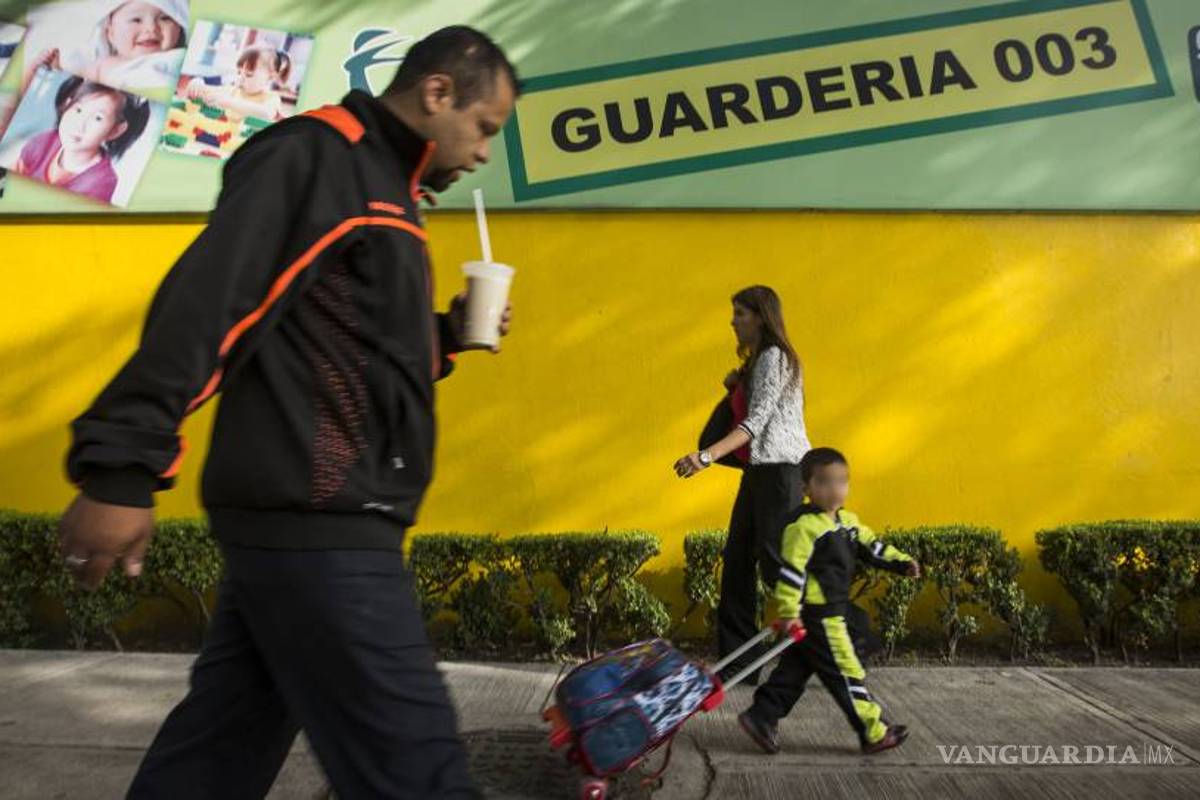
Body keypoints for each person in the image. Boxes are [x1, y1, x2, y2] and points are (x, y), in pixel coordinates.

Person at [57, 25, 519, 798]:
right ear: (438, 92)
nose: (482, 152)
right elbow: (212, 303)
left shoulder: (385, 187)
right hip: (324, 523)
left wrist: (443, 336)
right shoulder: (320, 157)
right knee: (418, 772)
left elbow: (345, 346)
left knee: (215, 758)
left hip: (310, 522)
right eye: (485, 127)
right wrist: (121, 466)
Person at [737, 447, 920, 756]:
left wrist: (901, 563)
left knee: (796, 668)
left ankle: (762, 715)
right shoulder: (803, 528)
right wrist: (789, 612)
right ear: (806, 488)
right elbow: (791, 572)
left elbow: (873, 548)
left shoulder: (848, 522)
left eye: (841, 481)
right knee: (845, 671)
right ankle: (874, 731)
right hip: (820, 616)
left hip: (830, 612)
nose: (834, 489)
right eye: (824, 482)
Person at [673, 285, 811, 682]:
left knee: (776, 565)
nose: (733, 321)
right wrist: (736, 386)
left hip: (781, 471)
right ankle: (740, 662)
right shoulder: (756, 364)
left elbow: (756, 424)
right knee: (736, 562)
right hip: (759, 472)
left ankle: (836, 641)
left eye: (740, 313)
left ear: (761, 317)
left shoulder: (775, 357)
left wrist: (705, 457)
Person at [14, 74, 149, 204]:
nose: (80, 124)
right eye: (78, 110)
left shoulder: (101, 182)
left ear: (115, 130)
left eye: (98, 118)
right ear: (67, 104)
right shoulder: (44, 142)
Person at [71, 0, 187, 91]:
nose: (151, 28)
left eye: (165, 18)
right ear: (110, 33)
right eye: (136, 20)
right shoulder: (102, 66)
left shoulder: (179, 58)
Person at [186, 45, 291, 122]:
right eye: (239, 73)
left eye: (249, 75)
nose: (241, 78)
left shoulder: (271, 98)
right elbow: (207, 91)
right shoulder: (234, 90)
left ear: (270, 77)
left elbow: (266, 113)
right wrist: (197, 83)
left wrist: (228, 102)